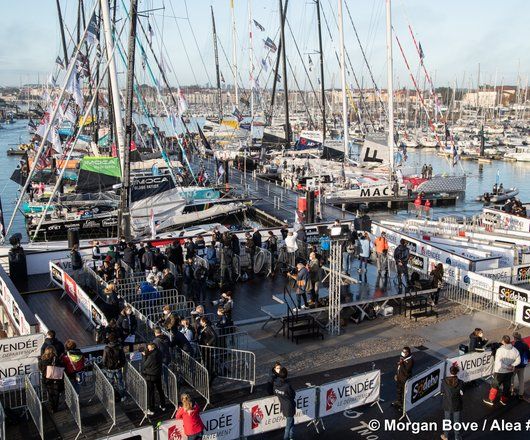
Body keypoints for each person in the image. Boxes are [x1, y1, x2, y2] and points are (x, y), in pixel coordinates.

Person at [483, 335, 520, 406]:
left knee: (495, 386)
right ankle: (503, 400)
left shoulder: (500, 350)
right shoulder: (515, 350)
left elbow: (498, 362)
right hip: (509, 372)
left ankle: (491, 400)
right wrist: (512, 365)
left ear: (503, 341)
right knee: (506, 386)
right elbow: (518, 360)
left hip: (500, 372)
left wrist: (507, 367)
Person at [441, 365, 464, 440]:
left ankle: (446, 436)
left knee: (447, 421)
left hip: (447, 404)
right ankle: (457, 437)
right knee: (456, 422)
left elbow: (442, 392)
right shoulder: (460, 382)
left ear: (450, 371)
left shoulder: (444, 381)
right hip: (457, 405)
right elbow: (462, 393)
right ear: (457, 372)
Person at [142, 342, 166, 415]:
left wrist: (145, 356)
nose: (148, 349)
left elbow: (145, 365)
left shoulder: (151, 356)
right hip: (158, 374)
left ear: (152, 348)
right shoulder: (159, 352)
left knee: (151, 392)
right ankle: (163, 405)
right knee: (160, 390)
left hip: (151, 376)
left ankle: (151, 409)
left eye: (149, 348)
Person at [273, 367, 296, 440]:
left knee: (291, 422)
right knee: (288, 426)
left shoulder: (275, 384)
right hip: (289, 407)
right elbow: (293, 395)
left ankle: (291, 437)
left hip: (283, 406)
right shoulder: (287, 386)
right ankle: (286, 438)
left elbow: (275, 392)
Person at [39, 346, 64, 413]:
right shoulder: (56, 359)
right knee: (56, 394)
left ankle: (52, 407)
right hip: (56, 379)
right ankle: (55, 408)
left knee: (50, 394)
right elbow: (61, 366)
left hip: (47, 380)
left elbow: (40, 368)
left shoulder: (43, 360)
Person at [102, 333, 126, 401]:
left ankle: (111, 397)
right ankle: (122, 396)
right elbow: (123, 357)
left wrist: (105, 366)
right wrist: (121, 365)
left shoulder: (106, 348)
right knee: (120, 382)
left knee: (110, 383)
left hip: (110, 368)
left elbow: (104, 359)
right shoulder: (119, 347)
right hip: (118, 367)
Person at [511, 332, 529, 400]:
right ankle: (521, 394)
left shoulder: (514, 346)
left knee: (512, 378)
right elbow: (528, 355)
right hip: (522, 365)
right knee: (521, 380)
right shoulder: (525, 345)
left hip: (515, 366)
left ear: (515, 338)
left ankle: (511, 391)